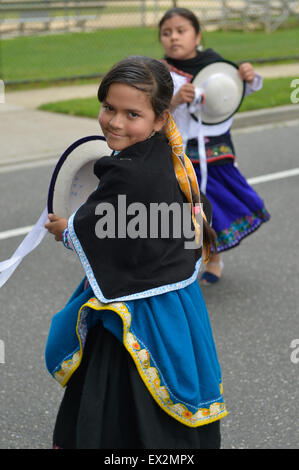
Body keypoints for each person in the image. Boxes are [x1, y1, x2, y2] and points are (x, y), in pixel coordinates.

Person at [44, 56, 227, 449]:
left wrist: (66, 229)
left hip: (136, 304)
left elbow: (98, 225)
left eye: (132, 114)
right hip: (176, 298)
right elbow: (185, 212)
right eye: (109, 108)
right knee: (173, 374)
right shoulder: (169, 155)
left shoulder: (127, 172)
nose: (115, 122)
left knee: (124, 381)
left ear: (160, 118)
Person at [159, 7, 270, 284]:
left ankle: (214, 259)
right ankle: (179, 264)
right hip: (179, 152)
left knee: (212, 207)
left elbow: (234, 91)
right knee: (182, 208)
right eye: (166, 33)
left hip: (215, 152)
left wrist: (246, 74)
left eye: (181, 31)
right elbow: (153, 109)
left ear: (197, 36)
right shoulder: (160, 73)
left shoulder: (216, 64)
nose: (174, 38)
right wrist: (173, 101)